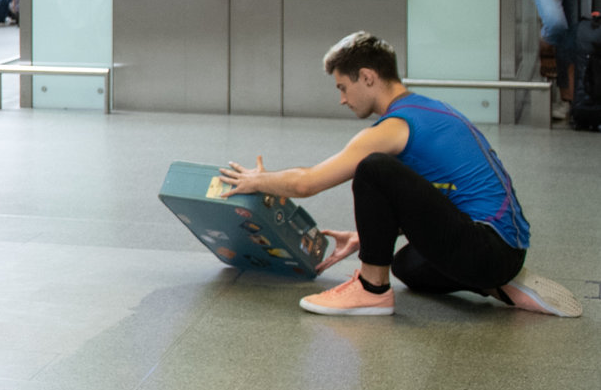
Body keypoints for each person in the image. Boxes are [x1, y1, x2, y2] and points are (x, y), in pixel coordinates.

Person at [222, 32, 581, 319]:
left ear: (367, 77)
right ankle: (500, 286)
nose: (342, 100)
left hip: (487, 247)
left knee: (373, 168)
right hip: (503, 250)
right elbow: (433, 197)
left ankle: (371, 290)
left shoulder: (395, 127)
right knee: (406, 265)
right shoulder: (427, 108)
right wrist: (368, 236)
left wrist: (257, 181)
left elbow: (308, 182)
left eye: (342, 87)